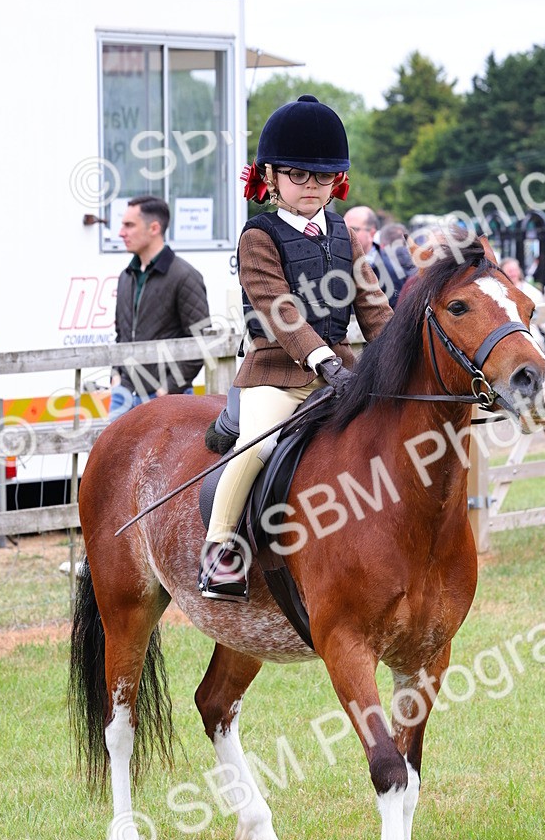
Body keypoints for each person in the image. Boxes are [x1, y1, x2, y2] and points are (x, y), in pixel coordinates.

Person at [198, 95, 393, 601]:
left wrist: (398, 350)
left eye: (321, 178)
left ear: (337, 181)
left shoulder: (342, 233)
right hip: (275, 375)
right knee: (258, 445)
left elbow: (371, 302)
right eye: (298, 175)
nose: (311, 187)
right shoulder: (258, 236)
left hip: (339, 371)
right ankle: (221, 550)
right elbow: (278, 308)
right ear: (272, 176)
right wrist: (322, 359)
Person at [109, 195, 209, 420]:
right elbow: (121, 336)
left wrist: (165, 391)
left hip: (166, 399)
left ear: (154, 228)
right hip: (123, 395)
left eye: (129, 225)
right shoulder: (126, 277)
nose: (121, 233)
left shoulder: (185, 276)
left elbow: (200, 344)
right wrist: (116, 377)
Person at [344, 206, 414, 308]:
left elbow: (396, 312)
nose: (345, 234)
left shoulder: (390, 268)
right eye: (342, 228)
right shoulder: (336, 260)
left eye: (353, 229)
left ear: (372, 233)